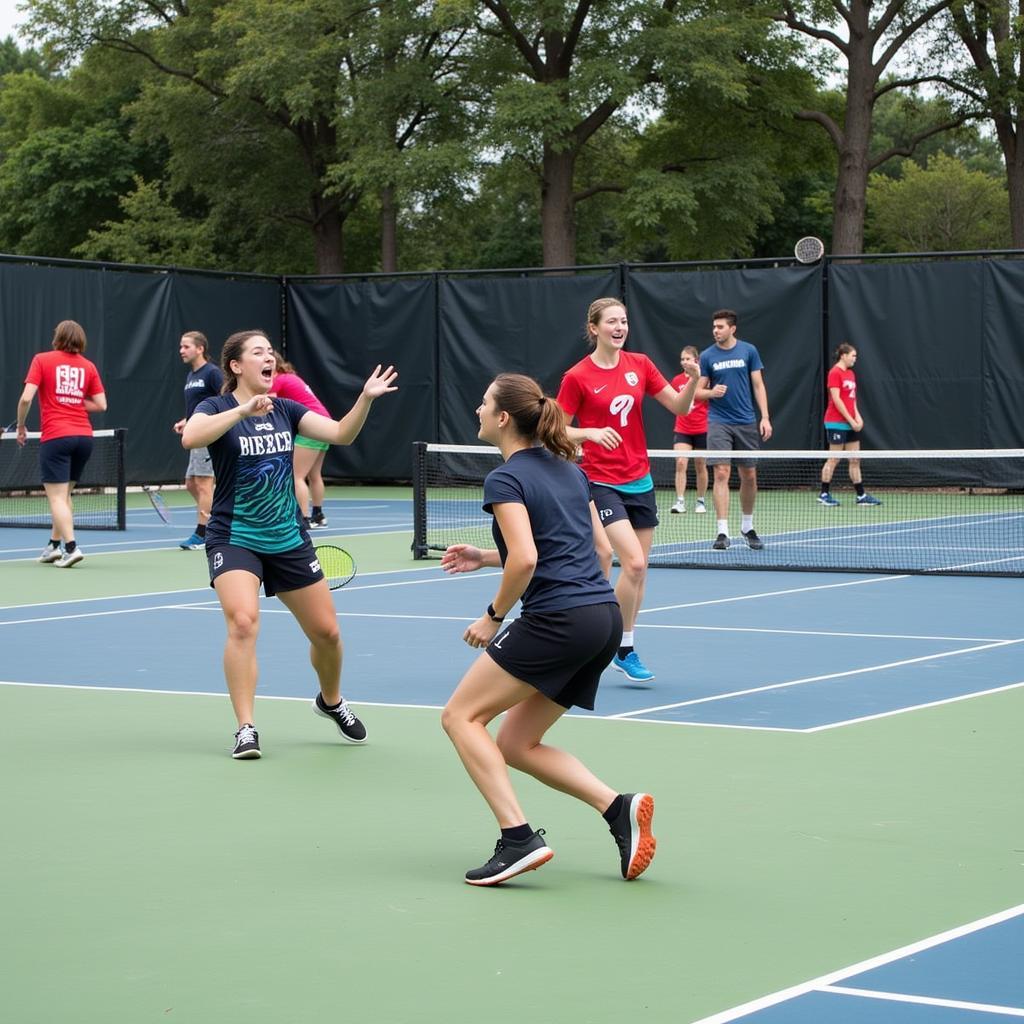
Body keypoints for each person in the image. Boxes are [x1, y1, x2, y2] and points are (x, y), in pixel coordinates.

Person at [440, 372, 656, 887]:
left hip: (559, 619)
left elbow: (529, 559)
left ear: (503, 418)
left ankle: (517, 839)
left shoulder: (505, 478)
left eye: (484, 402)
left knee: (460, 717)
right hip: (602, 619)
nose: (477, 410)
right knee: (517, 743)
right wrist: (487, 556)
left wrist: (492, 617)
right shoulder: (569, 469)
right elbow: (598, 553)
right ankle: (617, 808)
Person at [181, 329, 398, 759]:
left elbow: (341, 433)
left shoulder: (286, 409)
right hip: (235, 536)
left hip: (288, 538)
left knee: (328, 634)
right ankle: (246, 728)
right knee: (243, 623)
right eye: (257, 353)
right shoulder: (217, 406)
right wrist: (242, 410)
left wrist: (365, 399)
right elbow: (192, 437)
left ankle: (330, 700)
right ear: (236, 366)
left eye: (270, 353)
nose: (269, 359)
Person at [556, 297, 698, 683]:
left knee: (638, 571)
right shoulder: (577, 376)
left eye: (624, 321)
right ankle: (602, 640)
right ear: (594, 328)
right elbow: (554, 428)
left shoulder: (641, 365)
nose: (619, 327)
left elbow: (679, 408)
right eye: (611, 322)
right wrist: (588, 432)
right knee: (630, 562)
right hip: (600, 481)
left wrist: (694, 381)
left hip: (641, 480)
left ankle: (624, 648)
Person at [15, 319, 108, 568]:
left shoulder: (42, 360)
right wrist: (74, 402)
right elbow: (101, 404)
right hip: (84, 438)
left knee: (56, 498)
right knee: (64, 495)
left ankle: (71, 548)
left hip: (57, 436)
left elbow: (26, 399)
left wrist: (21, 425)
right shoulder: (88, 366)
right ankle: (53, 546)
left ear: (57, 337)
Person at [698, 309, 772, 551]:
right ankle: (722, 532)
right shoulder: (707, 356)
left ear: (732, 328)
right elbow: (698, 392)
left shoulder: (748, 351)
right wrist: (711, 393)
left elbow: (758, 385)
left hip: (746, 421)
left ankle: (747, 526)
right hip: (718, 421)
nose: (715, 331)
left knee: (749, 475)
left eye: (720, 327)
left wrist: (765, 417)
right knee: (721, 473)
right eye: (714, 327)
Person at [173, 331, 223, 550]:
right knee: (192, 484)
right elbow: (197, 407)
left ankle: (203, 533)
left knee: (203, 484)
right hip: (196, 433)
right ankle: (218, 518)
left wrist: (210, 424)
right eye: (181, 347)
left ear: (200, 348)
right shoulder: (191, 376)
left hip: (208, 433)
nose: (181, 351)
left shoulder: (212, 373)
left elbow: (224, 400)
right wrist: (187, 421)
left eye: (186, 346)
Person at [270, 352, 332, 529]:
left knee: (296, 476)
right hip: (324, 423)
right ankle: (318, 515)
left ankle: (303, 519)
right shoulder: (290, 377)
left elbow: (269, 407)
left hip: (311, 426)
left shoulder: (278, 380)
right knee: (314, 475)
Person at [818, 343, 881, 507]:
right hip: (836, 422)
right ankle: (824, 494)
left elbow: (851, 400)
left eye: (856, 356)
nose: (855, 359)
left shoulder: (851, 374)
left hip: (850, 423)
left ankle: (861, 496)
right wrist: (850, 420)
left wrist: (858, 419)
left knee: (855, 459)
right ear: (843, 356)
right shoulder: (834, 373)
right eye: (853, 356)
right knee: (834, 459)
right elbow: (837, 400)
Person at [669, 345, 713, 515]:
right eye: (682, 359)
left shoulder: (704, 380)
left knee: (701, 465)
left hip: (702, 428)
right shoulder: (676, 381)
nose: (684, 362)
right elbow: (673, 402)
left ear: (696, 360)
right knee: (681, 463)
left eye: (688, 358)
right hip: (683, 429)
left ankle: (700, 501)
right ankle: (680, 501)